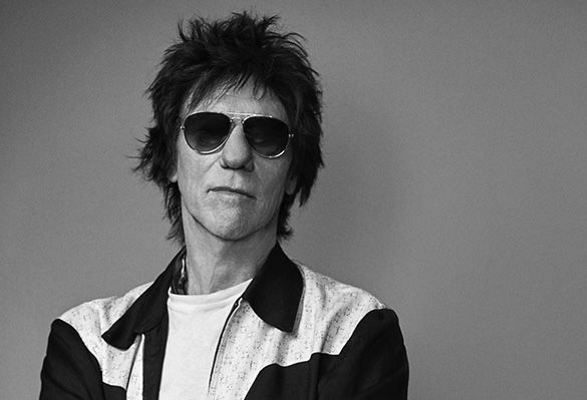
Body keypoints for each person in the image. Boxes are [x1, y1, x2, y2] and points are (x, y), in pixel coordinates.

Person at [40, 12, 409, 399]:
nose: (235, 156)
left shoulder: (350, 331)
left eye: (266, 136)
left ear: (293, 173)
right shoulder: (88, 344)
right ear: (170, 160)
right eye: (207, 130)